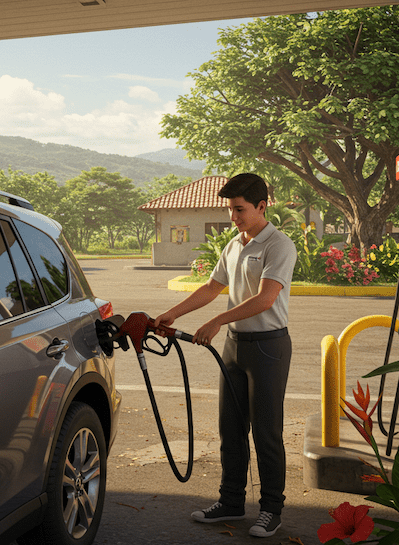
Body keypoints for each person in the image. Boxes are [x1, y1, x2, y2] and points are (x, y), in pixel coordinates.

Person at [153, 173, 297, 538]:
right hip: (235, 347)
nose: (233, 217)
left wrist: (216, 320)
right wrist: (175, 313)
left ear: (262, 206)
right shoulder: (235, 245)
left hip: (268, 347)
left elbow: (266, 299)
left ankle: (271, 510)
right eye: (230, 209)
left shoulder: (278, 245)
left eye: (240, 209)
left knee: (266, 433)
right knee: (230, 430)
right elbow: (212, 286)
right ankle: (231, 501)